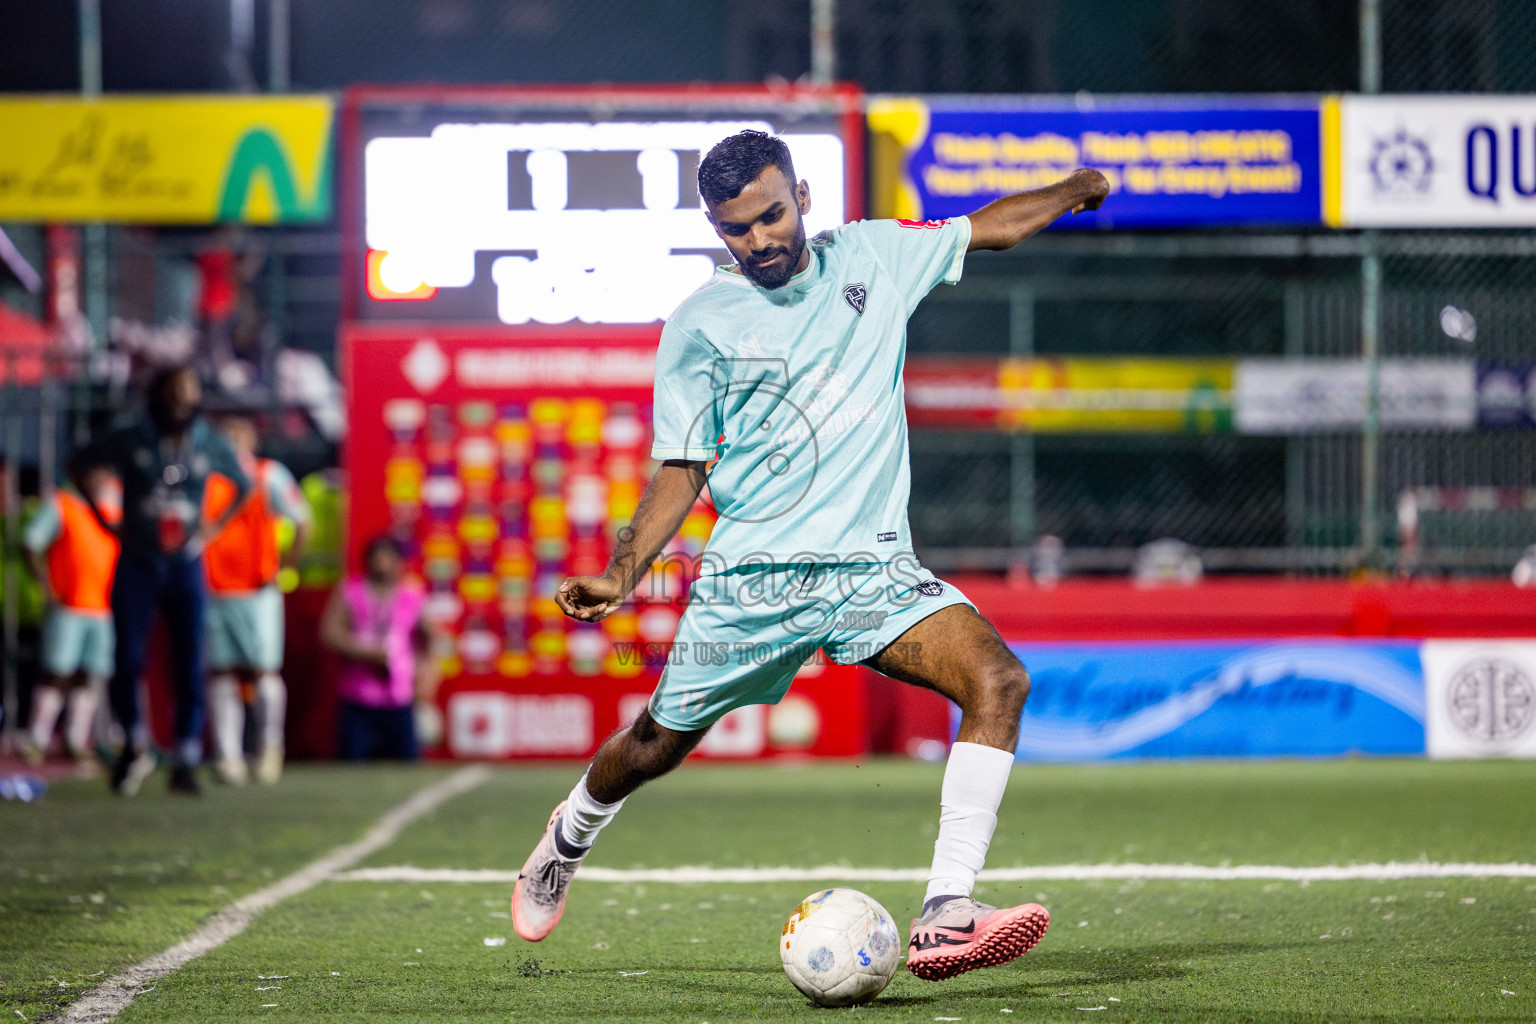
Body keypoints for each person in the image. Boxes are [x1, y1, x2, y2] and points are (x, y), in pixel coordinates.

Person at [512, 130, 1109, 981]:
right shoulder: (698, 325)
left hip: (872, 575)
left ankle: (945, 911)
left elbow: (992, 227)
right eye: (735, 230)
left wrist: (1071, 189)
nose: (758, 241)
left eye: (770, 215)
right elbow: (682, 466)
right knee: (651, 746)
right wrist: (621, 572)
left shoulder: (875, 256)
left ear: (802, 194)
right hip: (754, 585)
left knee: (998, 680)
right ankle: (565, 839)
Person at [71, 364, 252, 795]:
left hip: (186, 560)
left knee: (190, 659)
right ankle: (134, 740)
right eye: (172, 392)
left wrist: (215, 525)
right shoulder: (133, 435)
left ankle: (186, 752)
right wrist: (103, 517)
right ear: (158, 396)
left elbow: (243, 484)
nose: (180, 401)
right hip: (138, 557)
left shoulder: (208, 440)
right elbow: (79, 462)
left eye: (187, 392)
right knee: (128, 657)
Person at [202, 416, 311, 786]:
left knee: (262, 669)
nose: (232, 439)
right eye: (225, 433)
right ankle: (228, 755)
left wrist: (286, 570)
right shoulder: (205, 479)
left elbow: (302, 521)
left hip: (257, 589)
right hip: (216, 587)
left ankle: (269, 747)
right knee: (222, 671)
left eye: (239, 433)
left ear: (253, 440)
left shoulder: (269, 475)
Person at [17, 466, 121, 768]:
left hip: (103, 606)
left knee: (87, 674)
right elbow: (29, 543)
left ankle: (75, 739)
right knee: (56, 672)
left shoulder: (112, 504)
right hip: (69, 604)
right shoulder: (61, 503)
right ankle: (37, 738)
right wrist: (44, 584)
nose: (101, 477)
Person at [319, 536, 438, 761]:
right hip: (358, 696)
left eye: (388, 557)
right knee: (352, 765)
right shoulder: (351, 591)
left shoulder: (411, 595)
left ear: (399, 562)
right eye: (377, 557)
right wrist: (364, 652)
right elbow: (329, 633)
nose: (382, 564)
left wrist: (427, 676)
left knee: (408, 765)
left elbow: (430, 639)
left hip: (399, 696)